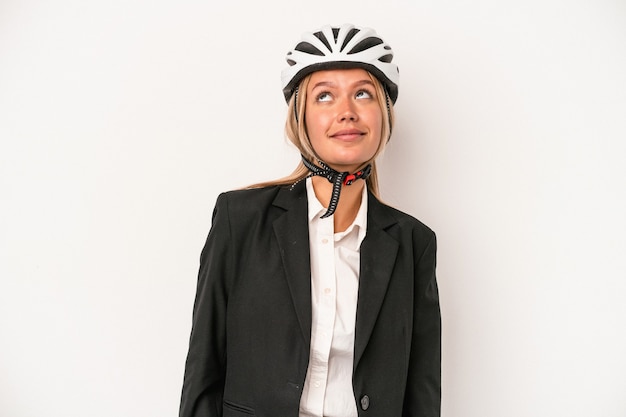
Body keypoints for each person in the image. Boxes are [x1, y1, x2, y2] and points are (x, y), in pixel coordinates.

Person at [179, 23, 441, 417]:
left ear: (384, 115)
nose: (346, 112)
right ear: (301, 117)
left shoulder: (412, 243)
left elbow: (421, 392)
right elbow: (204, 368)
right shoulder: (241, 220)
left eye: (363, 93)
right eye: (324, 96)